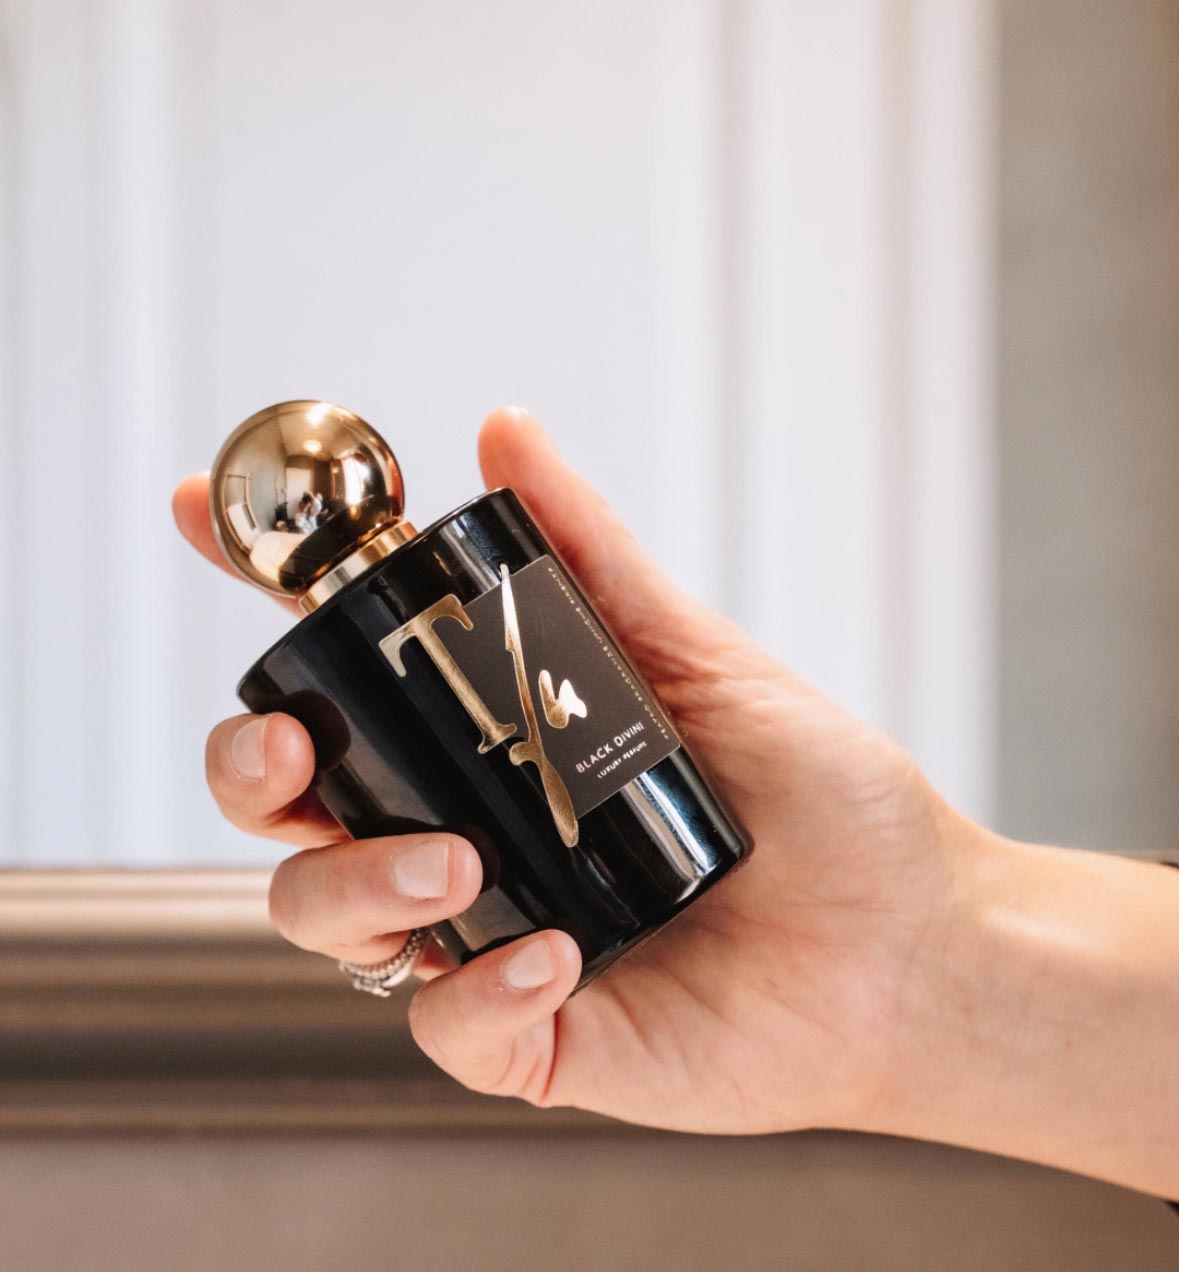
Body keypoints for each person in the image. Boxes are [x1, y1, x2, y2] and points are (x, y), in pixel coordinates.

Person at [173, 408, 1179, 1200]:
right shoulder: (327, 655)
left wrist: (925, 955)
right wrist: (913, 981)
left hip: (701, 863)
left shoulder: (480, 549)